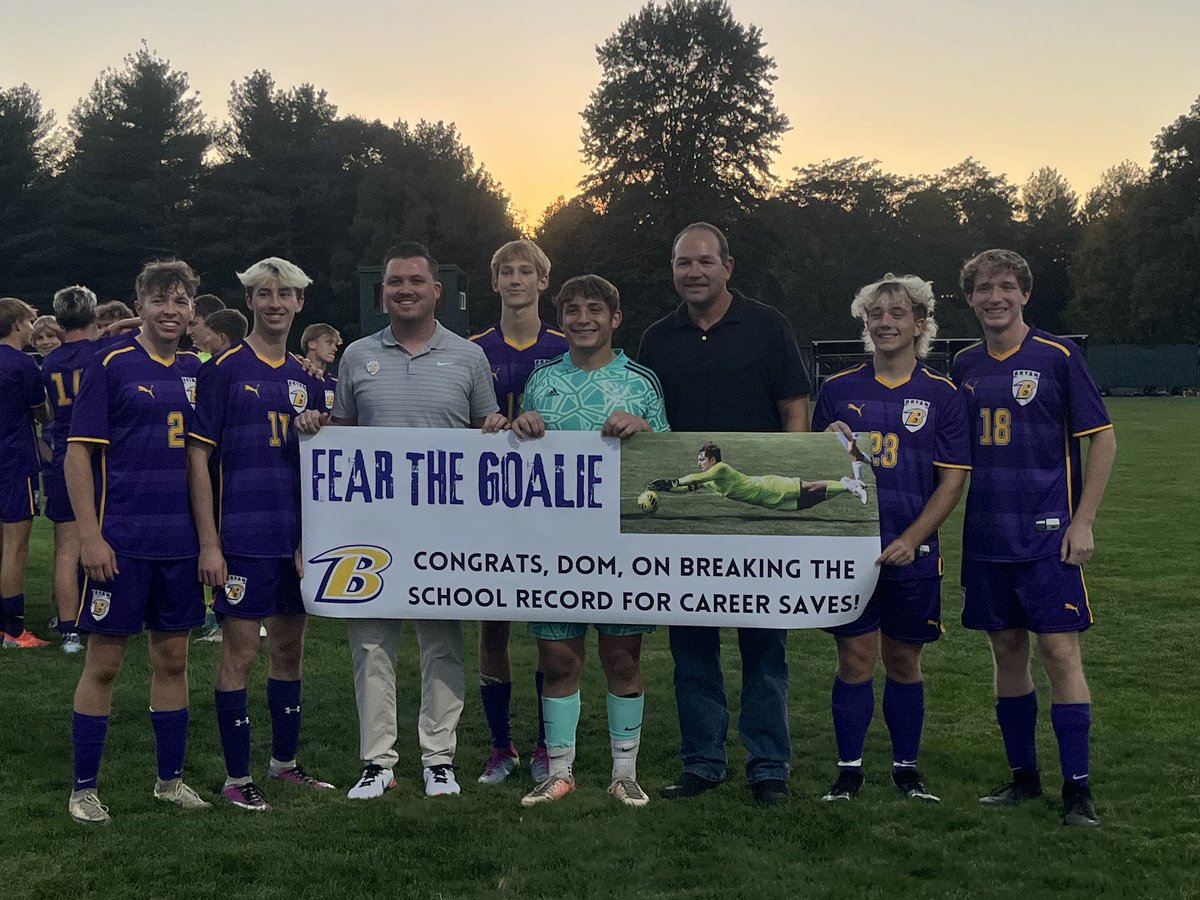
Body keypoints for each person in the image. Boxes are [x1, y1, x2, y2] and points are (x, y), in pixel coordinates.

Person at [638, 222, 811, 805]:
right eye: (683, 262)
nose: (693, 272)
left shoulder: (767, 326)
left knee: (764, 643)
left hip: (756, 512)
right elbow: (645, 418)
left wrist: (789, 482)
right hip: (687, 518)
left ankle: (769, 766)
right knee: (692, 644)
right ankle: (703, 762)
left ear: (728, 266)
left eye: (705, 262)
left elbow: (794, 405)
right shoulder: (658, 339)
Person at [330, 242, 502, 800]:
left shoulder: (469, 358)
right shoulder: (356, 355)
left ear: (437, 291)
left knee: (443, 642)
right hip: (372, 526)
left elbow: (486, 434)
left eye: (415, 281)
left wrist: (502, 429)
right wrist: (318, 426)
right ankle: (377, 761)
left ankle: (439, 758)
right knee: (372, 645)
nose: (404, 290)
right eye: (394, 282)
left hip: (445, 526)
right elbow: (341, 439)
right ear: (383, 292)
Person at [952, 249, 1116, 828]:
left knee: (1059, 650)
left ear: (1024, 293)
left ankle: (1078, 791)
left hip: (1049, 535)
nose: (994, 298)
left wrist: (1084, 520)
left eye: (1005, 287)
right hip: (987, 535)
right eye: (982, 289)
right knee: (1006, 650)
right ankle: (1024, 778)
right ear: (970, 299)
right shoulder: (965, 364)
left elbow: (1103, 439)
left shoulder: (1058, 355)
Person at [509, 274, 668, 808]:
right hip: (553, 543)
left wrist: (645, 430)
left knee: (622, 658)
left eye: (594, 309)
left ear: (614, 318)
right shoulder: (541, 380)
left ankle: (625, 772)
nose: (583, 319)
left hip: (621, 544)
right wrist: (521, 423)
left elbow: (668, 458)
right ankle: (560, 771)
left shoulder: (641, 381)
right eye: (572, 309)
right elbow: (519, 451)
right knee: (559, 660)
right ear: (561, 319)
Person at [812, 274, 970, 803]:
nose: (884, 322)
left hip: (913, 553)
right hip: (851, 553)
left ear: (919, 323)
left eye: (897, 313)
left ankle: (906, 770)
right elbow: (815, 472)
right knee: (854, 661)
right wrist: (826, 446)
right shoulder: (837, 390)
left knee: (904, 661)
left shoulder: (942, 395)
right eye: (875, 314)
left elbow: (952, 481)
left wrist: (913, 537)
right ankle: (849, 771)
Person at [64, 260, 209, 824]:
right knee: (104, 662)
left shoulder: (198, 370)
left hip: (178, 543)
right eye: (159, 300)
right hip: (120, 541)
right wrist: (90, 537)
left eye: (180, 301)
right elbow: (79, 453)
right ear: (140, 305)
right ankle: (83, 788)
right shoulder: (111, 363)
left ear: (192, 309)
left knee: (173, 659)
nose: (170, 310)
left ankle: (169, 781)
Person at [186, 257, 333, 812]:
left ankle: (285, 765)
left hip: (294, 540)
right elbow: (197, 458)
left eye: (286, 295)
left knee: (290, 649)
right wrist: (209, 542)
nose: (275, 303)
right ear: (249, 301)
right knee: (241, 651)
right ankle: (235, 776)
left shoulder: (307, 378)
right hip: (242, 535)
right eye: (265, 294)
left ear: (299, 304)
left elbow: (320, 467)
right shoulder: (222, 368)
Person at [468, 239, 568, 785]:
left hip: (550, 504)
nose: (514, 279)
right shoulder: (472, 348)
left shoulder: (563, 346)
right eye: (505, 271)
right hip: (491, 501)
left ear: (542, 281)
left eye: (525, 270)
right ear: (495, 282)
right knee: (494, 622)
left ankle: (544, 744)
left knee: (549, 624)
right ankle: (500, 744)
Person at [41, 286, 103, 652]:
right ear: (92, 314)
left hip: (64, 449)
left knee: (66, 549)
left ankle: (68, 630)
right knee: (101, 538)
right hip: (97, 453)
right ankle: (98, 613)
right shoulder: (102, 352)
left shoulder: (50, 361)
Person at [0, 297, 51, 648]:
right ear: (17, 324)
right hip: (14, 460)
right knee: (15, 547)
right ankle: (14, 630)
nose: (33, 328)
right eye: (30, 321)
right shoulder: (22, 364)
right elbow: (42, 412)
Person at [647, 441, 865, 510]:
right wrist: (667, 488)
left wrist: (671, 481)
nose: (699, 462)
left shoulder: (721, 469)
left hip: (767, 486)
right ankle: (844, 483)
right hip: (765, 501)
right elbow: (688, 487)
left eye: (702, 459)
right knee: (807, 504)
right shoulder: (712, 481)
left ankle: (850, 486)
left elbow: (694, 478)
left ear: (713, 460)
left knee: (807, 488)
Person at [300, 322, 342, 412]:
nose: (335, 348)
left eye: (335, 344)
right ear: (311, 344)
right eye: (329, 342)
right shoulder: (295, 374)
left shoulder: (335, 383)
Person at [189, 294, 227, 361]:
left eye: (193, 324)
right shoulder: (185, 361)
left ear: (211, 322)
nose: (188, 332)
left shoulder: (239, 359)